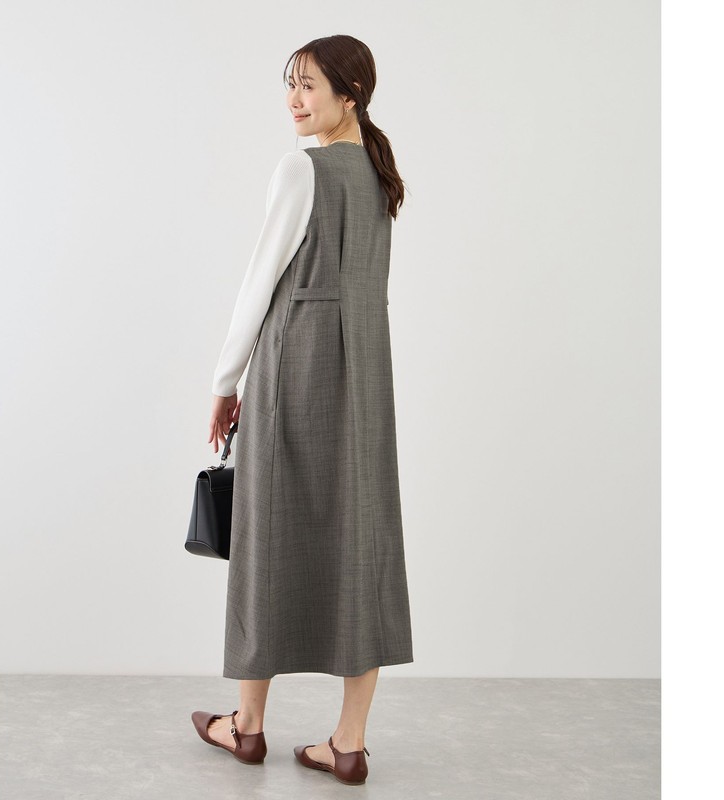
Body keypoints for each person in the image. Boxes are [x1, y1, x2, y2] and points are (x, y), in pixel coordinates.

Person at [192, 35, 414, 786]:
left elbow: (261, 283)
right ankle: (348, 744)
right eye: (290, 83)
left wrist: (225, 380)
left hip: (296, 365)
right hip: (365, 376)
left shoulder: (302, 169)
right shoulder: (380, 173)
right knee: (363, 540)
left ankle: (247, 727)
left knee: (264, 534)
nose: (294, 99)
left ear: (350, 94)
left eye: (309, 85)